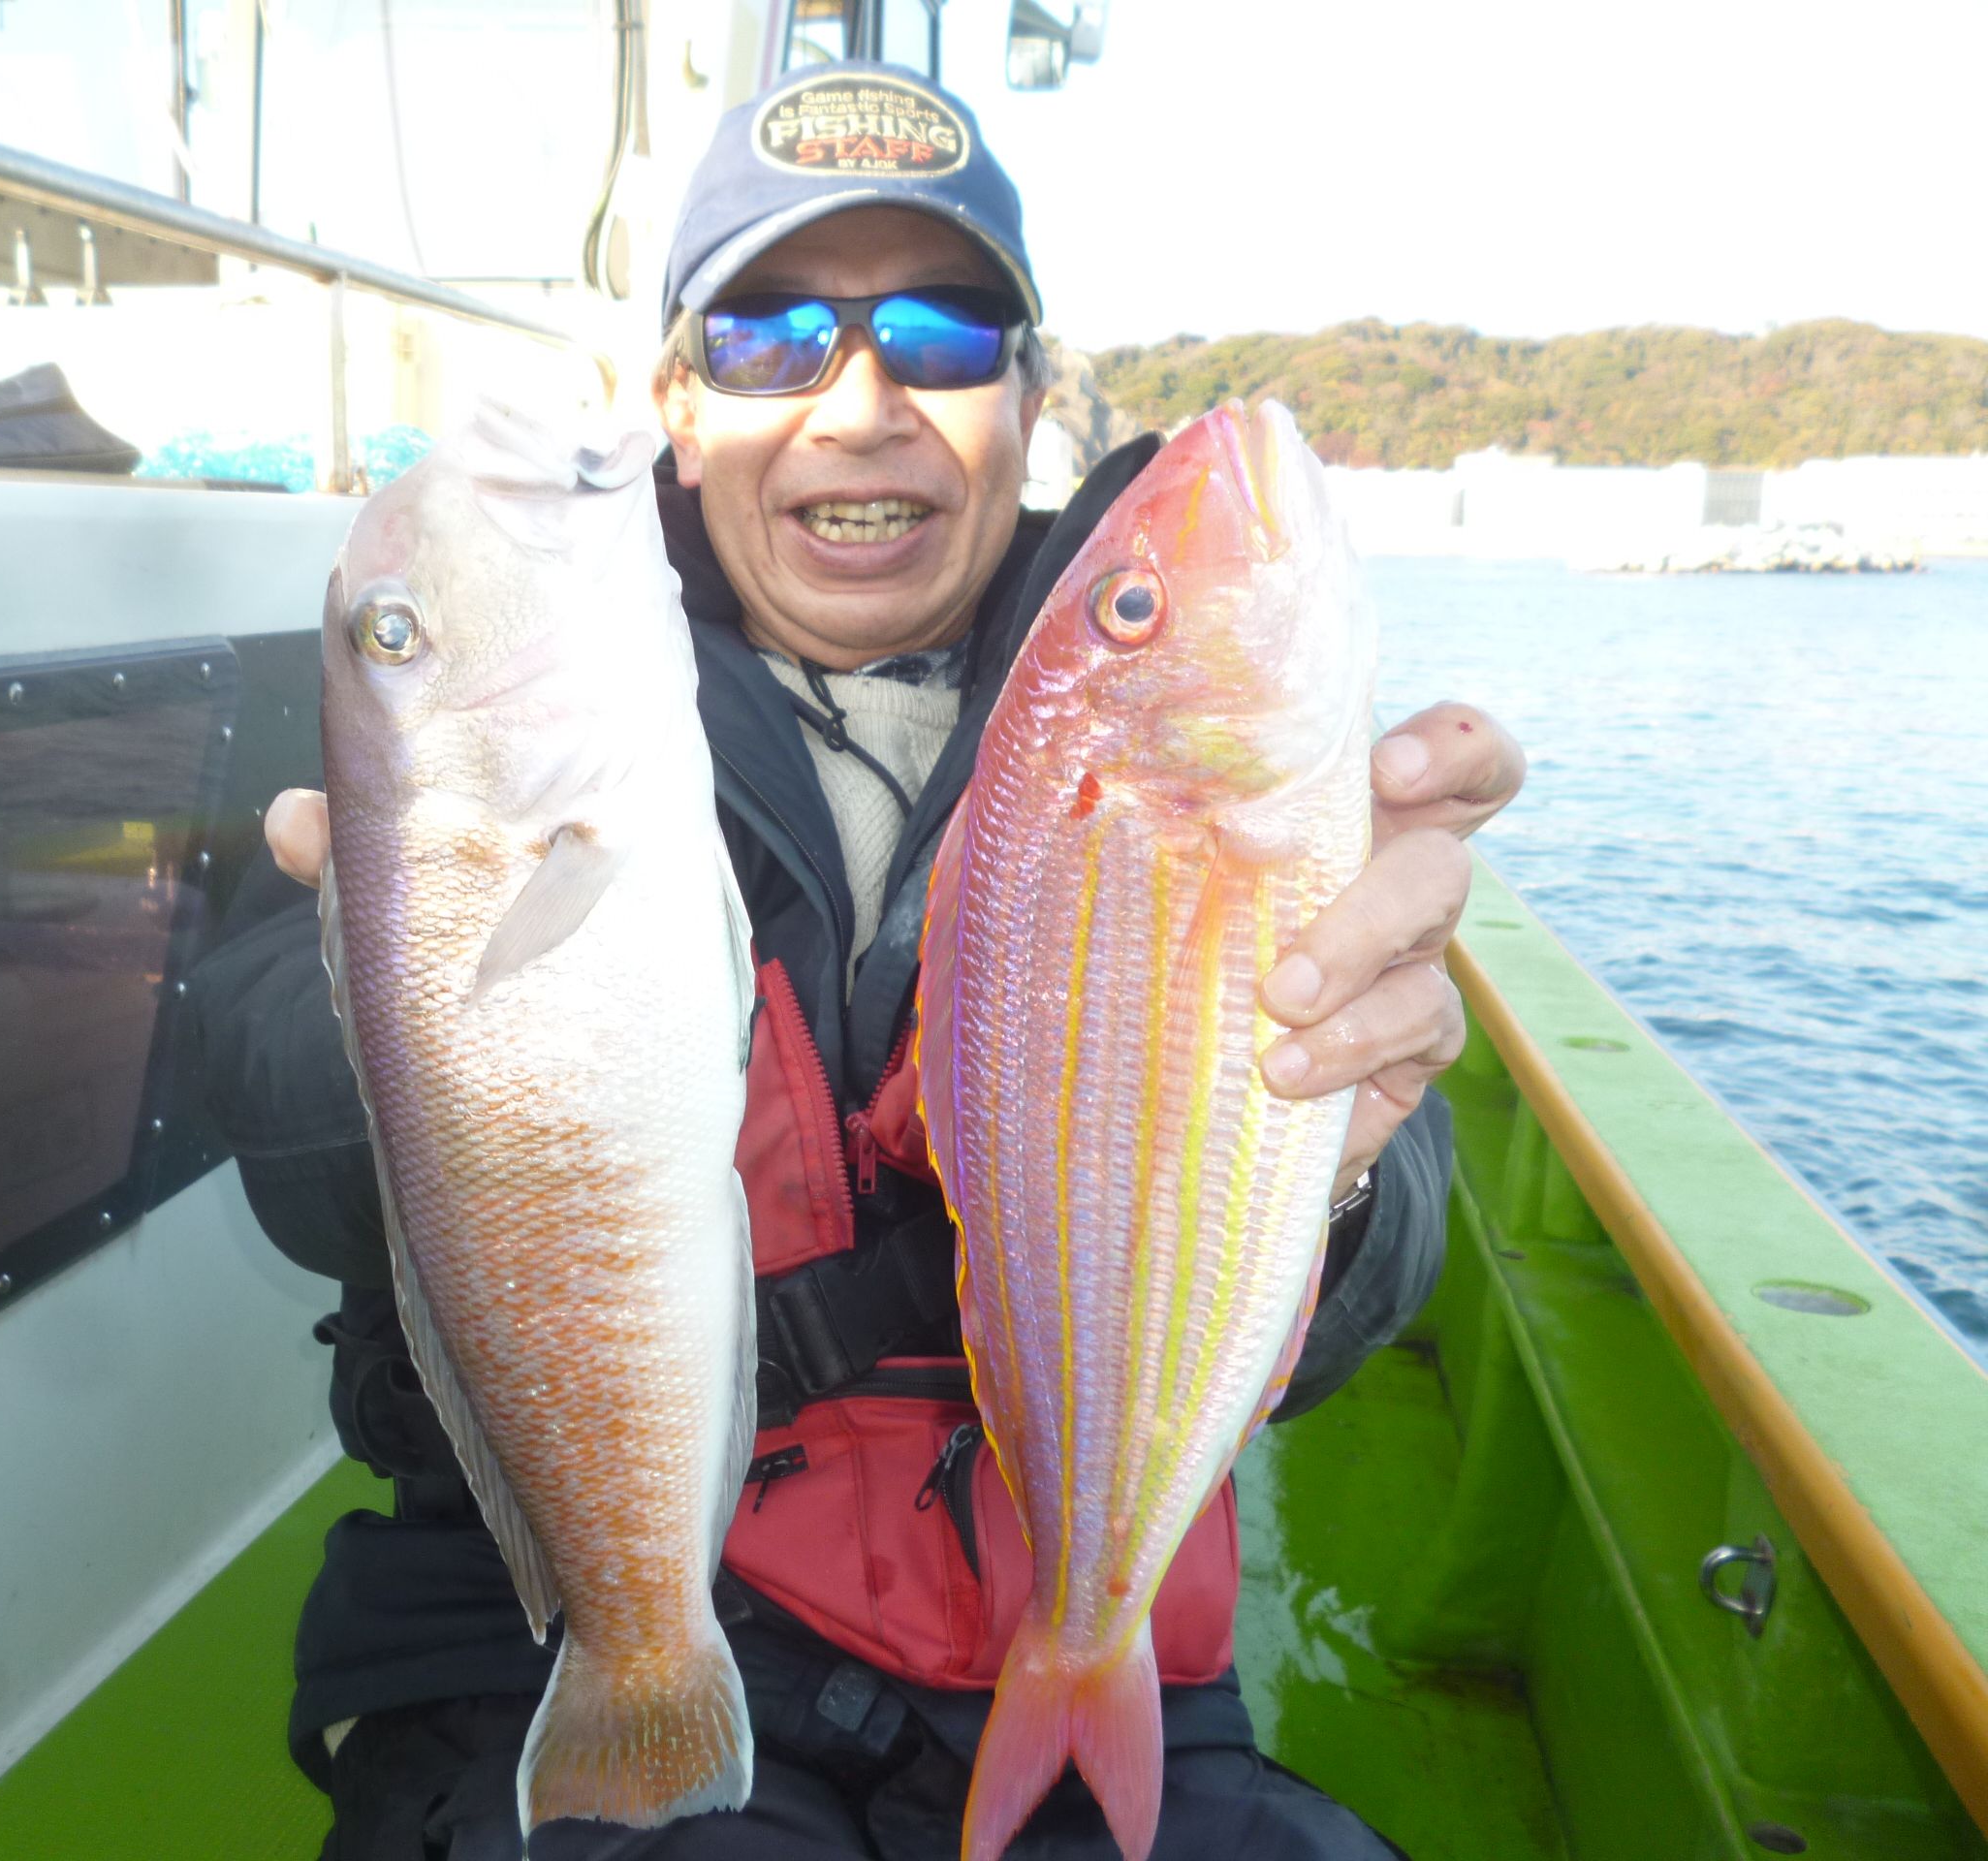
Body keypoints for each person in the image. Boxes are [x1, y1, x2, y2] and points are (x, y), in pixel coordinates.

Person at [189, 60, 1527, 1861]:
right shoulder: (533, 656)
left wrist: (1334, 1160)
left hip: (1073, 1616)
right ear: (676, 402)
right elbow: (274, 1098)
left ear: (1030, 397)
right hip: (560, 1627)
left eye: (942, 332)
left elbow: (1379, 1281)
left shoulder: (1152, 694)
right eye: (768, 338)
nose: (862, 401)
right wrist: (414, 1001)